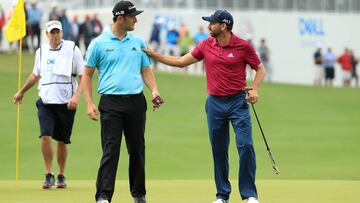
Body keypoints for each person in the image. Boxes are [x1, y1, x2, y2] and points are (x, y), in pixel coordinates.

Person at [143, 9, 265, 203]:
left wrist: (255, 89)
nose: (209, 26)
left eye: (212, 23)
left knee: (246, 146)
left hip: (237, 102)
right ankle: (222, 195)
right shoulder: (207, 44)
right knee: (219, 149)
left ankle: (249, 194)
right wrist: (155, 55)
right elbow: (181, 61)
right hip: (215, 103)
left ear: (223, 26)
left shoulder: (243, 46)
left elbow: (259, 69)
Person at [81, 1, 163, 203]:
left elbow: (146, 70)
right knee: (111, 149)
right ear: (120, 18)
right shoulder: (98, 43)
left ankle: (139, 195)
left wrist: (154, 90)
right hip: (110, 103)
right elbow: (87, 74)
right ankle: (103, 196)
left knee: (137, 149)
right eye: (132, 16)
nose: (136, 19)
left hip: (136, 102)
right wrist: (89, 103)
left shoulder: (138, 42)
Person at [13, 20, 83, 189]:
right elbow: (35, 75)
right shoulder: (41, 52)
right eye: (52, 32)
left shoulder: (72, 49)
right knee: (45, 136)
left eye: (57, 32)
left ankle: (61, 174)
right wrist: (21, 91)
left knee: (61, 141)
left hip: (66, 103)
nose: (55, 35)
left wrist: (76, 96)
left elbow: (83, 76)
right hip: (45, 101)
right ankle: (48, 173)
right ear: (46, 34)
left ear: (62, 33)